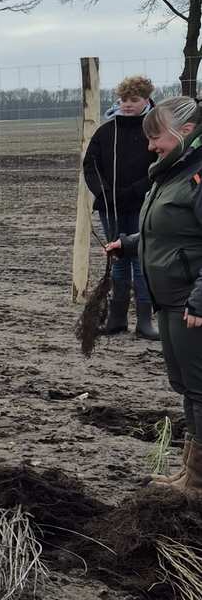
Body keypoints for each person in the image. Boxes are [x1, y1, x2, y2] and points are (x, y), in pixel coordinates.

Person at [106, 95, 202, 492]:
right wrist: (129, 244)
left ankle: (197, 483)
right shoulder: (172, 173)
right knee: (186, 388)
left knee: (200, 388)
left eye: (155, 136)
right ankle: (190, 472)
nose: (150, 146)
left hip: (191, 304)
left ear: (187, 132)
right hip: (170, 301)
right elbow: (165, 231)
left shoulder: (197, 175)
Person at [84, 75, 159, 339]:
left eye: (134, 100)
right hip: (110, 206)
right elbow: (90, 165)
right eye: (124, 100)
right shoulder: (106, 131)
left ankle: (144, 322)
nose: (127, 105)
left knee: (140, 260)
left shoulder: (152, 130)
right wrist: (104, 193)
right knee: (118, 259)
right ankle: (116, 321)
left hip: (142, 205)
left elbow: (159, 166)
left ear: (146, 100)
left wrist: (135, 190)